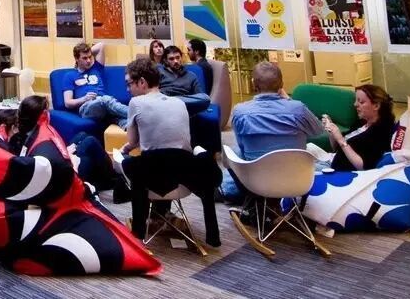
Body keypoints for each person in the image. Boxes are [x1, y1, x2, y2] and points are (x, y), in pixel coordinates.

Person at [116, 57, 219, 244]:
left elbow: (133, 142)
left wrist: (125, 149)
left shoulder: (135, 103)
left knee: (131, 163)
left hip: (153, 175)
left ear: (142, 82)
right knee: (165, 157)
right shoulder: (179, 103)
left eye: (129, 84)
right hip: (185, 175)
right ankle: (212, 235)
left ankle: (139, 231)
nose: (127, 89)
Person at [231, 62, 325, 160]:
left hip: (255, 169)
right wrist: (288, 100)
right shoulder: (298, 109)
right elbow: (318, 131)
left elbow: (241, 145)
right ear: (282, 84)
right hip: (296, 168)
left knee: (235, 151)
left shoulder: (240, 112)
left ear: (253, 84)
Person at [320, 84, 396, 172]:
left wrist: (341, 140)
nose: (355, 104)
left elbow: (364, 167)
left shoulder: (382, 132)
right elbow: (336, 149)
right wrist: (331, 131)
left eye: (361, 102)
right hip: (330, 160)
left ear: (376, 106)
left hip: (337, 171)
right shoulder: (362, 122)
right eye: (356, 101)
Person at [62, 42, 127, 129]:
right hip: (86, 107)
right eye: (84, 58)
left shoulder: (96, 68)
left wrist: (86, 51)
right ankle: (138, 113)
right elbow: (67, 103)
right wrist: (84, 99)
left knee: (123, 121)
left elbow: (101, 45)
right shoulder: (69, 75)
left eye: (90, 57)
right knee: (105, 100)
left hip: (103, 105)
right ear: (76, 59)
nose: (88, 60)